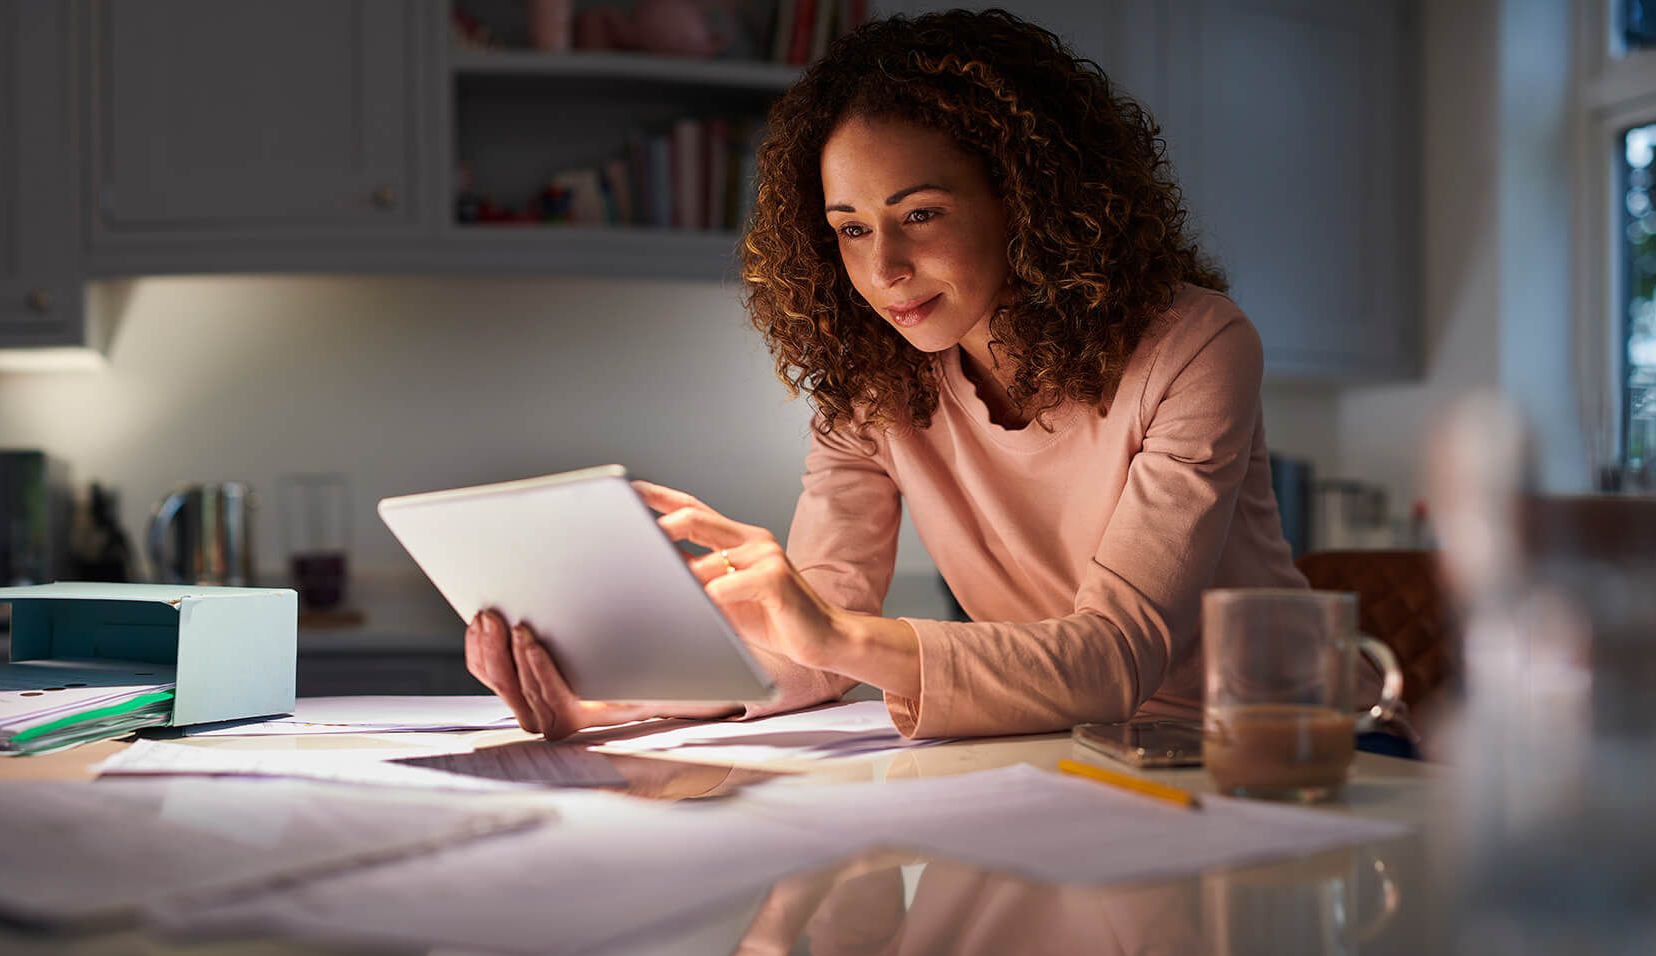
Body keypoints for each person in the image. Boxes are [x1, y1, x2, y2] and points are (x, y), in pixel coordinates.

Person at [465, 8, 1307, 741]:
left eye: (920, 215)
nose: (885, 268)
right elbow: (812, 647)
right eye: (851, 228)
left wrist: (828, 629)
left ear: (1027, 200)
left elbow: (1114, 658)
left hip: (1278, 751)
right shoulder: (873, 380)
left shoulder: (1193, 344)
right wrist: (601, 699)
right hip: (1069, 751)